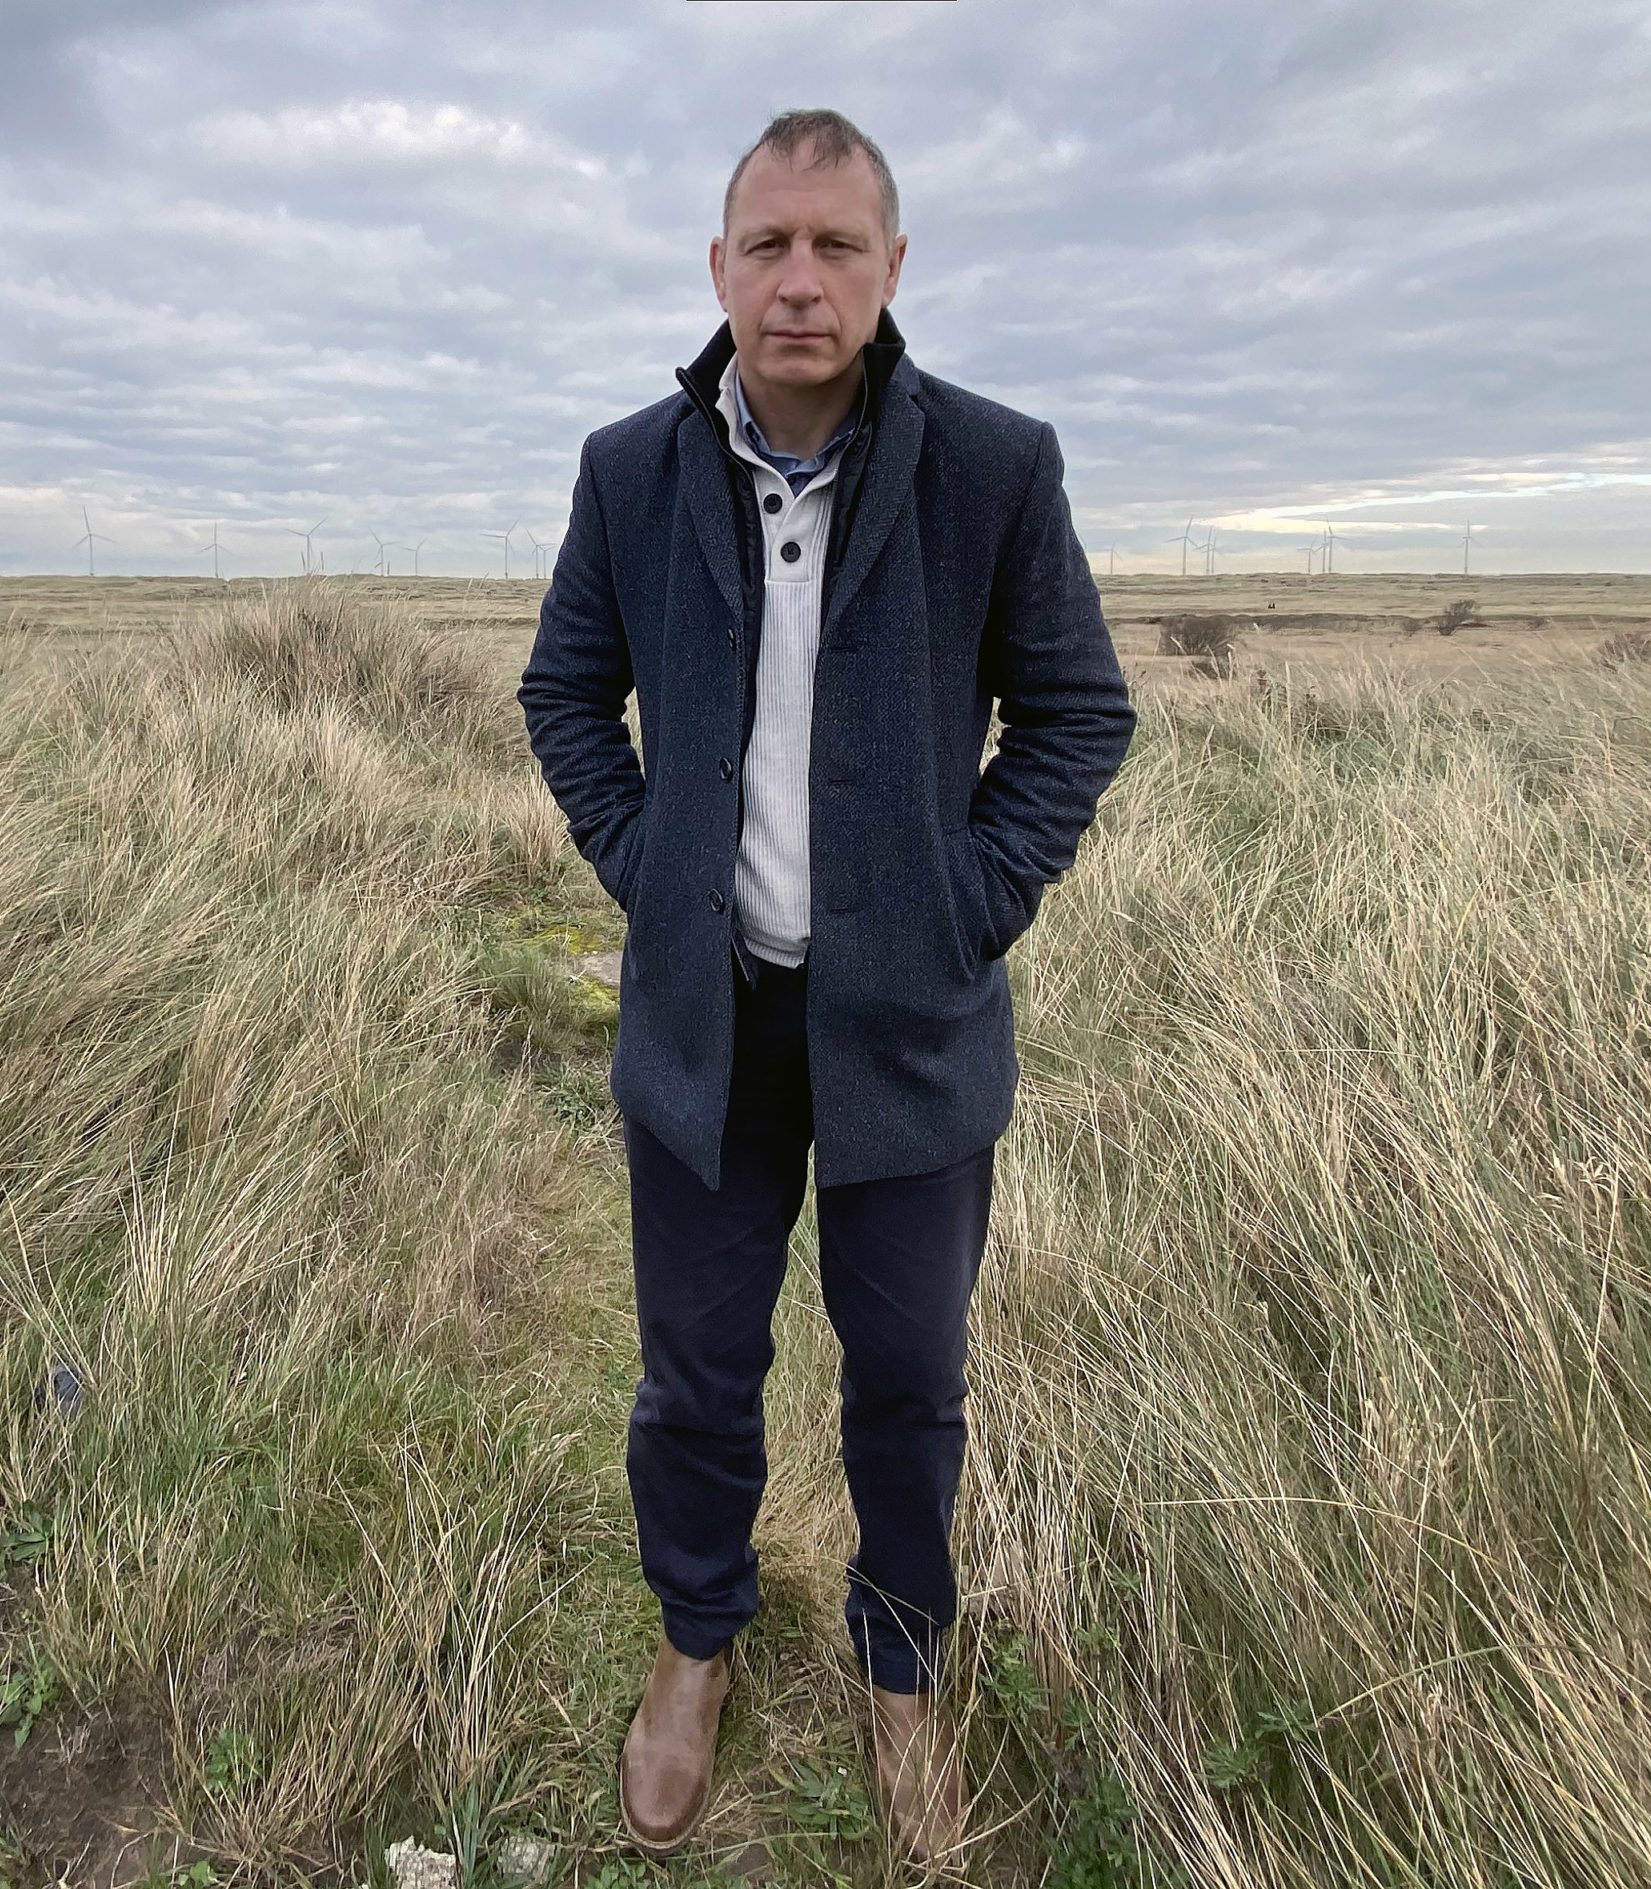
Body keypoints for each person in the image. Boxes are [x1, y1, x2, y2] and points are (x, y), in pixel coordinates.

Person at [516, 107, 1135, 1863]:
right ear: (719, 267)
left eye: (835, 246)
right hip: (703, 1034)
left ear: (889, 269)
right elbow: (567, 698)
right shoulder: (630, 468)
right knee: (696, 1373)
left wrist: (964, 904)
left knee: (907, 1379)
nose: (800, 280)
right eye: (768, 245)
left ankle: (901, 1668)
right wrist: (651, 874)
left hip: (911, 1035)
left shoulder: (995, 469)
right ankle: (694, 1641)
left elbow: (1078, 711)